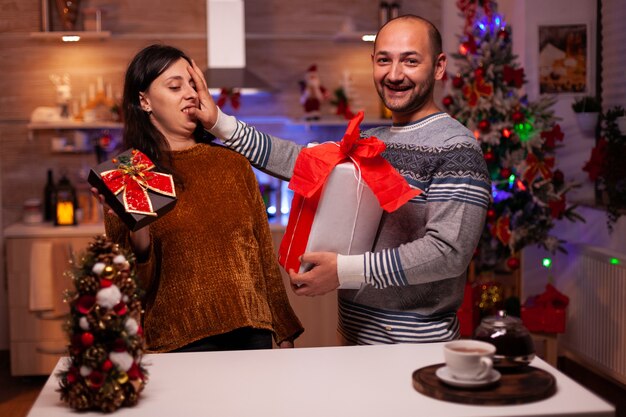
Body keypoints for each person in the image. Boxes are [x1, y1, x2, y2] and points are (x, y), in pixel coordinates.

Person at [188, 15, 491, 344]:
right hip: (351, 334)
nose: (394, 74)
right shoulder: (370, 140)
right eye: (384, 60)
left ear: (439, 66)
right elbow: (299, 161)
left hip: (414, 344)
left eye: (411, 61)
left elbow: (448, 252)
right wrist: (219, 123)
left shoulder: (457, 148)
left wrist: (343, 271)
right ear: (372, 63)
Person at [96, 44, 303, 352]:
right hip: (179, 343)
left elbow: (261, 255)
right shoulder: (132, 172)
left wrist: (284, 331)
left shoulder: (232, 163)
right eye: (175, 86)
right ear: (144, 101)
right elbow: (131, 288)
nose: (190, 94)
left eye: (193, 84)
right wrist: (137, 227)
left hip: (252, 333)